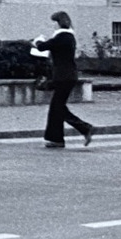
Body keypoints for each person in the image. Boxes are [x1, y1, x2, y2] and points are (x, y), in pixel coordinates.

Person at [32, 10, 93, 148]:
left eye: (53, 23)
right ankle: (57, 139)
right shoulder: (67, 37)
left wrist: (37, 40)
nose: (52, 26)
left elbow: (42, 47)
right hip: (66, 76)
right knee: (56, 108)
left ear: (58, 23)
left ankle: (85, 128)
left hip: (63, 77)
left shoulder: (62, 37)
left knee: (58, 108)